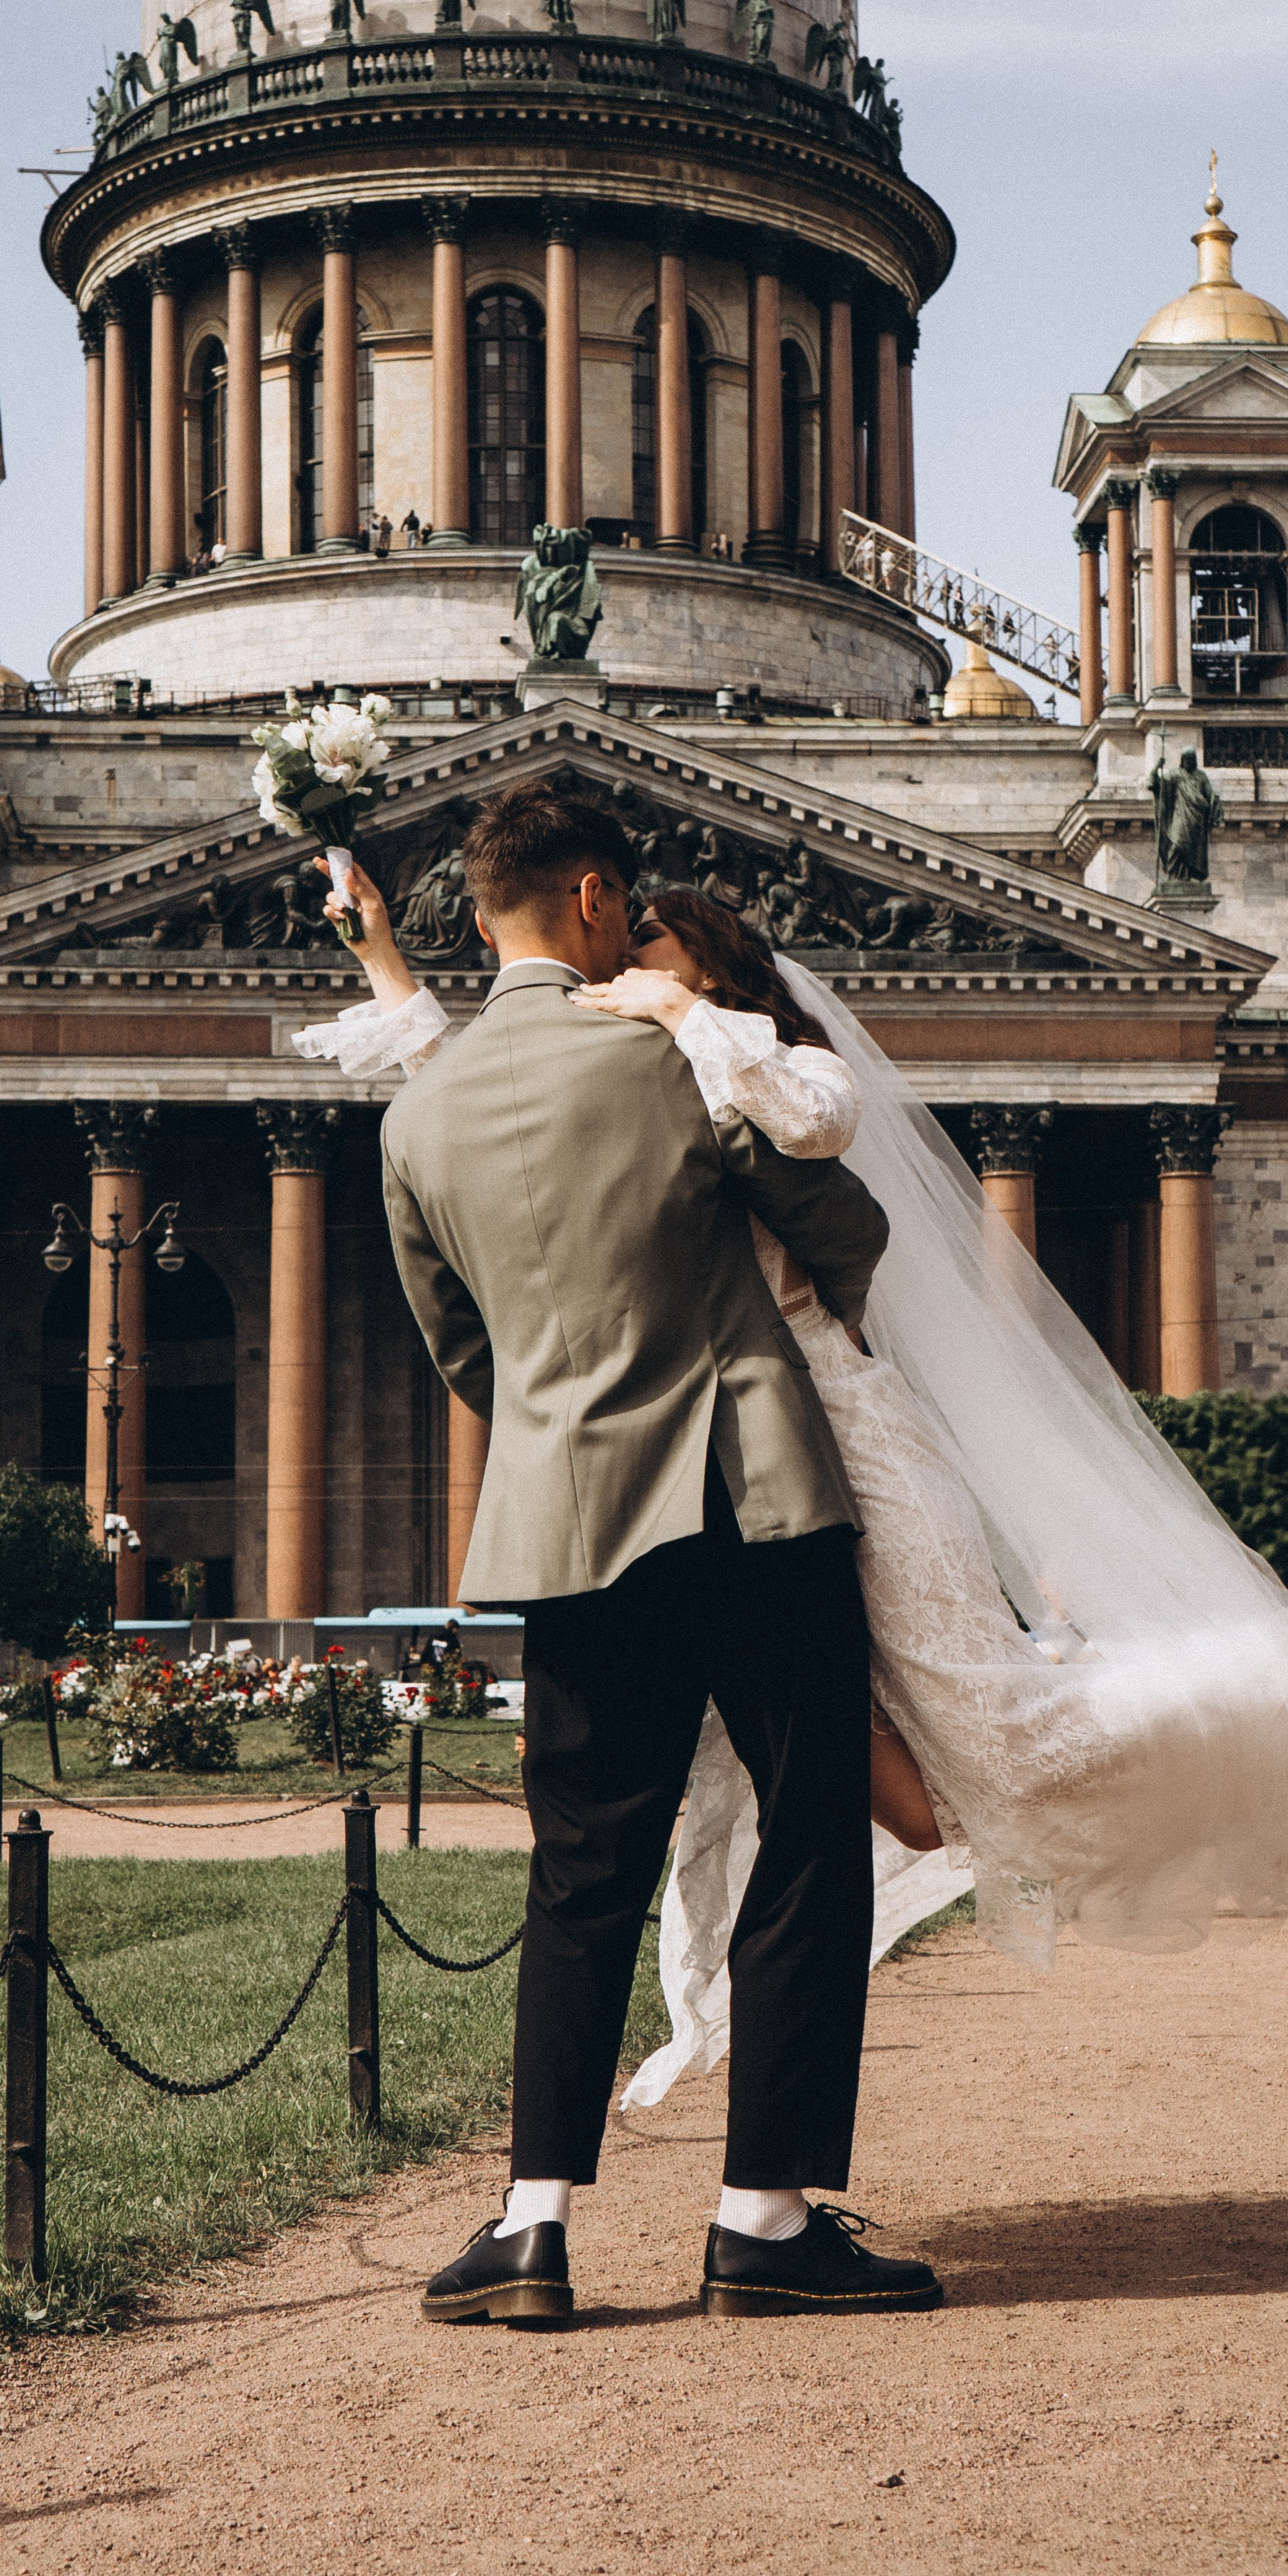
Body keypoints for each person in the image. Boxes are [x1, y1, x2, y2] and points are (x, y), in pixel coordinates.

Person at [291, 858, 1288, 2060]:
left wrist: (676, 1015)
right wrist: (393, 968)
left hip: (839, 1453)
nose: (602, 983)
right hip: (732, 1492)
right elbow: (501, 1130)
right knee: (919, 1805)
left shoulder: (736, 1078)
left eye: (637, 963)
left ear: (709, 979)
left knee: (1004, 1743)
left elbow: (808, 1140)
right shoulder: (652, 1081)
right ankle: (770, 2136)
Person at [336, 783, 943, 2328]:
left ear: (483, 923)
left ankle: (529, 2228)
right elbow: (841, 1225)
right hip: (745, 1495)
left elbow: (457, 1349)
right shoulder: (671, 1050)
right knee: (807, 1841)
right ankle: (763, 2220)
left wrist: (557, 1418)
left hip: (562, 1524)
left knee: (579, 1868)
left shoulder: (421, 1112)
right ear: (598, 901)